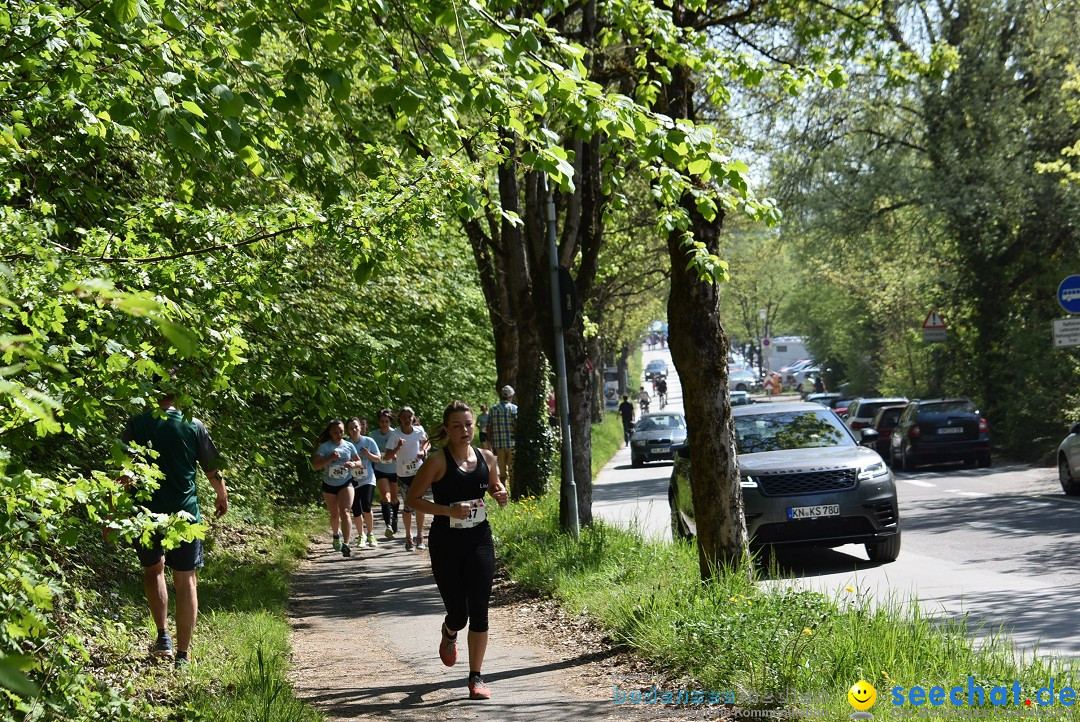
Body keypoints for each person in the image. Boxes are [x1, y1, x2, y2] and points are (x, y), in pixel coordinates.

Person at [406, 400, 509, 701]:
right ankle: (449, 631)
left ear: (475, 425)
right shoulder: (437, 461)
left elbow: (494, 485)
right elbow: (413, 499)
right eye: (457, 426)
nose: (464, 430)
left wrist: (500, 492)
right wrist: (448, 510)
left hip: (479, 540)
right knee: (459, 613)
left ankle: (475, 677)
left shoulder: (487, 457)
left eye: (468, 424)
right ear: (447, 430)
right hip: (446, 544)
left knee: (479, 608)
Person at [119, 388, 228, 665]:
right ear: (182, 394)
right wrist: (221, 494)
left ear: (154, 393)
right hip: (185, 516)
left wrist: (114, 512)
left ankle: (163, 637)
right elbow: (211, 468)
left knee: (154, 570)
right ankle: (183, 653)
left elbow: (123, 472)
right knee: (186, 579)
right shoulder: (193, 424)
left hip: (145, 513)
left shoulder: (137, 423)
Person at [312, 419, 361, 558]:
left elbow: (359, 461)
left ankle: (346, 544)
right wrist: (330, 459)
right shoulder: (325, 447)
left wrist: (352, 463)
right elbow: (315, 466)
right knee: (334, 515)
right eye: (335, 432)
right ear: (330, 433)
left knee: (345, 511)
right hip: (329, 485)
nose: (339, 434)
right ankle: (336, 535)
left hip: (346, 482)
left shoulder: (349, 445)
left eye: (341, 432)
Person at [384, 406, 430, 551]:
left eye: (409, 416)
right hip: (403, 475)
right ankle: (409, 537)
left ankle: (420, 537)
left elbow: (427, 442)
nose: (406, 419)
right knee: (408, 506)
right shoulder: (395, 434)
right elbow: (387, 457)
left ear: (413, 417)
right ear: (399, 419)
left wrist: (423, 450)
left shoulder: (419, 430)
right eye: (403, 416)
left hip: (419, 472)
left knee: (420, 504)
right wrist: (398, 447)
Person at [346, 417, 385, 548]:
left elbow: (378, 459)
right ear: (348, 430)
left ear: (360, 427)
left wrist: (368, 454)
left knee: (366, 506)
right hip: (352, 480)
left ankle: (370, 534)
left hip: (368, 479)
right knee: (356, 508)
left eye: (356, 427)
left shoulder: (369, 441)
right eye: (351, 428)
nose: (354, 430)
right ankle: (361, 536)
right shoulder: (346, 444)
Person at [368, 409, 401, 539]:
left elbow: (402, 449)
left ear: (390, 422)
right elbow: (370, 451)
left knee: (394, 499)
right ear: (378, 422)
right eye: (382, 421)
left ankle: (395, 517)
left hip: (395, 470)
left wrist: (395, 456)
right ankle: (388, 526)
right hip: (380, 469)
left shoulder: (395, 434)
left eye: (386, 421)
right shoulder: (373, 435)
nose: (384, 424)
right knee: (386, 497)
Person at [485, 385, 517, 496]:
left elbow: (488, 428)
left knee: (503, 472)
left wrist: (491, 442)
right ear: (511, 396)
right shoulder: (514, 409)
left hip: (498, 445)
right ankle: (513, 493)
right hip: (512, 444)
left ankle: (504, 493)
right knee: (513, 471)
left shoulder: (493, 409)